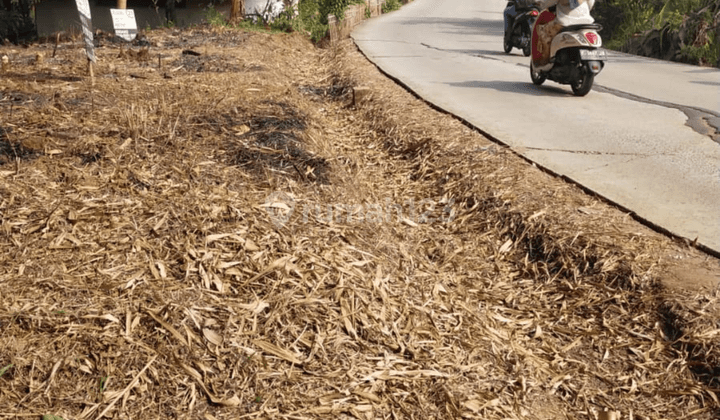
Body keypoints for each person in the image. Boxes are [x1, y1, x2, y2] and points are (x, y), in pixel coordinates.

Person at [533, 0, 596, 66]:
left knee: (544, 33)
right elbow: (590, 4)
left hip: (566, 22)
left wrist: (539, 3)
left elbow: (547, 3)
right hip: (586, 22)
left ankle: (544, 63)